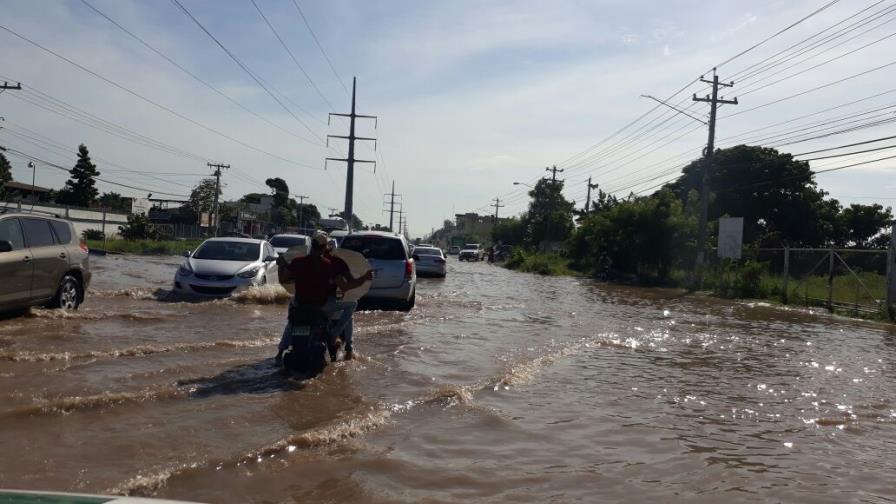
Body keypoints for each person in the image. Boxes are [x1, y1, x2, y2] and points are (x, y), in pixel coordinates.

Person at [275, 231, 372, 365]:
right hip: (320, 307)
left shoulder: (298, 262)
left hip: (300, 305)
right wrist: (365, 278)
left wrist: (281, 265)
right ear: (326, 247)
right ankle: (336, 337)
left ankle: (280, 352)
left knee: (292, 321)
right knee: (352, 305)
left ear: (311, 245)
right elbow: (345, 287)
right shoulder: (329, 265)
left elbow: (283, 279)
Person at [322, 239, 359, 361]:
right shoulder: (336, 264)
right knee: (350, 310)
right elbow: (348, 284)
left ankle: (280, 351)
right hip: (327, 303)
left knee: (293, 318)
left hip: (309, 302)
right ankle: (349, 347)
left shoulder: (309, 262)